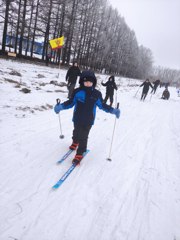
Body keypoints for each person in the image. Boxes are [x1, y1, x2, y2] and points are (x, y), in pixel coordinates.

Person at [54, 70, 120, 164]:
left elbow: (102, 105)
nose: (88, 83)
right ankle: (75, 142)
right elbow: (70, 103)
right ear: (82, 81)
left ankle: (80, 153)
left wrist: (113, 110)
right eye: (86, 81)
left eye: (90, 81)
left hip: (88, 119)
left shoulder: (96, 94)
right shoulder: (77, 91)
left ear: (93, 82)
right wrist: (60, 107)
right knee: (76, 132)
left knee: (83, 136)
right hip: (77, 117)